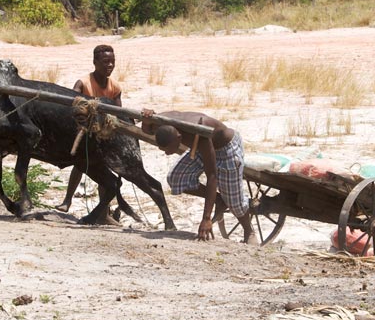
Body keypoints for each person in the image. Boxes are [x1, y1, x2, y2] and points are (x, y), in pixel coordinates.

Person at [140, 109, 258, 244]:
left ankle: (249, 231)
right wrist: (146, 120)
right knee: (176, 178)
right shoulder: (161, 121)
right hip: (201, 149)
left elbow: (212, 176)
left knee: (234, 202)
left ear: (179, 137)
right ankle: (220, 200)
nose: (167, 153)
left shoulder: (199, 134)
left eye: (169, 149)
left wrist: (206, 218)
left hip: (225, 149)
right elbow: (146, 130)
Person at [55, 45, 122, 213]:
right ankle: (67, 200)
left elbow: (119, 114)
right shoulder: (83, 83)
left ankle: (104, 210)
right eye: (105, 61)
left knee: (104, 170)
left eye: (112, 61)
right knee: (79, 164)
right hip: (84, 131)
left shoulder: (115, 87)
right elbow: (71, 104)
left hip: (104, 133)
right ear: (95, 62)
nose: (110, 65)